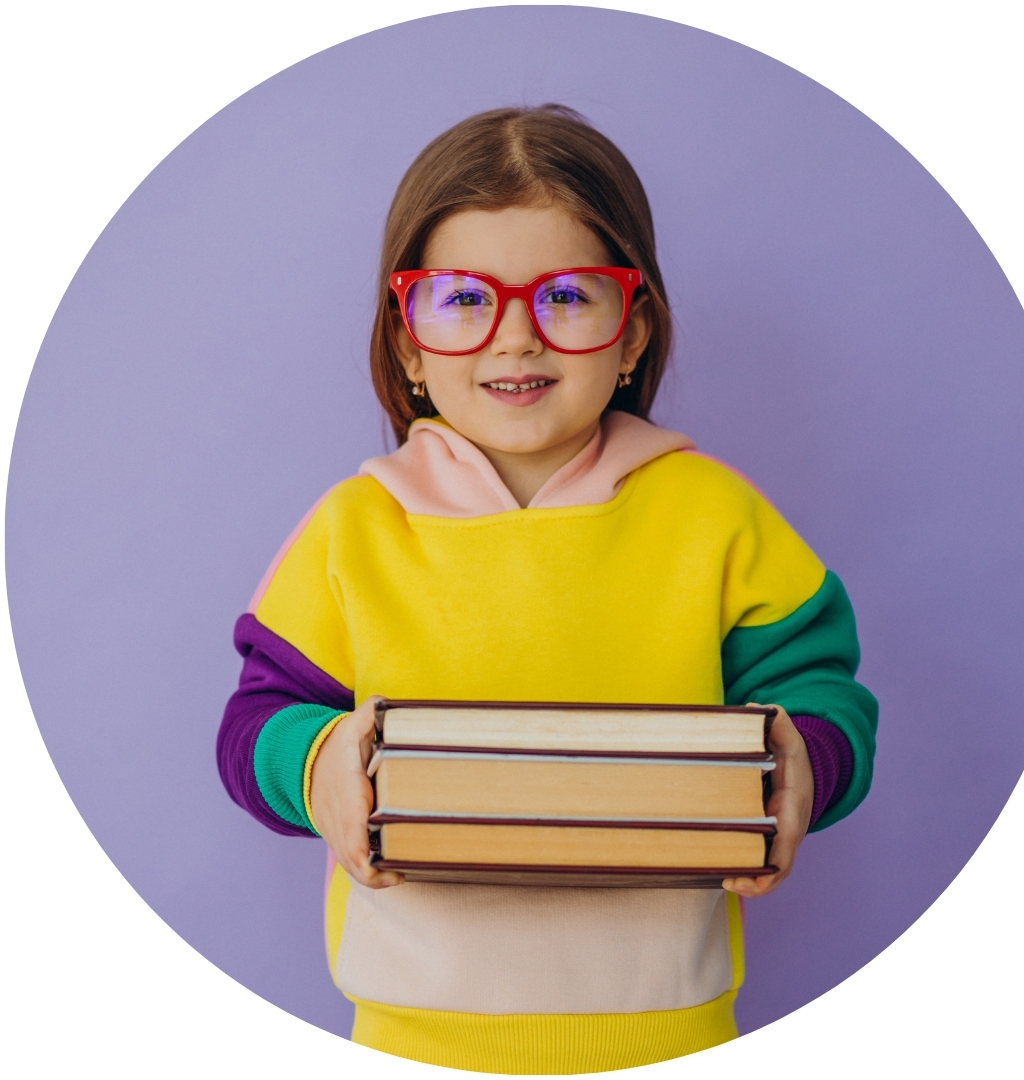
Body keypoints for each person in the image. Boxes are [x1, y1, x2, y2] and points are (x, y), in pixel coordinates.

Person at [217, 104, 877, 1073]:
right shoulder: (353, 529)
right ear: (407, 342)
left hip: (669, 1022)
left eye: (568, 296)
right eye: (461, 298)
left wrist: (804, 758)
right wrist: (316, 765)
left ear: (634, 330)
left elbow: (825, 691)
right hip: (412, 1030)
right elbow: (255, 724)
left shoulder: (715, 514)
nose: (516, 337)